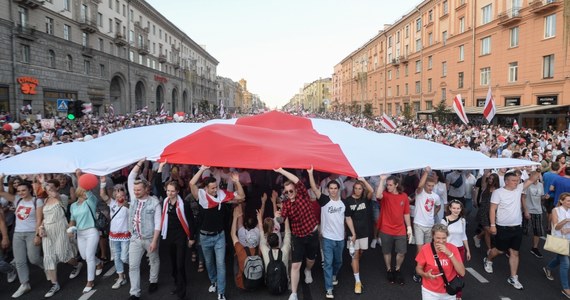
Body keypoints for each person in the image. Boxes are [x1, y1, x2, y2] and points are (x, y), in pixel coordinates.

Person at [189, 165, 245, 300]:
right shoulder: (201, 195)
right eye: (212, 188)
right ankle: (213, 281)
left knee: (221, 264)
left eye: (216, 187)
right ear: (206, 188)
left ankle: (221, 292)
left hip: (219, 236)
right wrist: (202, 169)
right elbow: (191, 183)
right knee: (209, 263)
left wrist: (237, 181)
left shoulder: (222, 194)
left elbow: (242, 196)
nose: (215, 190)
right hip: (205, 237)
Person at [308, 167, 356, 299]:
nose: (333, 190)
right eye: (331, 188)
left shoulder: (344, 203)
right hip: (327, 238)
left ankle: (334, 275)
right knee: (328, 262)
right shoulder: (324, 200)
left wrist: (353, 233)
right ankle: (329, 288)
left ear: (339, 189)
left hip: (340, 238)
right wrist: (310, 173)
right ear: (328, 190)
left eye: (335, 188)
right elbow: (314, 188)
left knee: (339, 262)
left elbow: (348, 218)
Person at [483, 172, 535, 290]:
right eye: (514, 181)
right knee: (500, 250)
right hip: (502, 227)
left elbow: (532, 179)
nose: (517, 182)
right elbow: (492, 209)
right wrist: (492, 225)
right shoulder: (498, 193)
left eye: (517, 180)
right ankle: (488, 259)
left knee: (515, 252)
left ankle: (513, 277)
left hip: (517, 226)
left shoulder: (519, 189)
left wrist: (538, 168)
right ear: (506, 181)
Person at [273, 167, 319, 300]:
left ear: (296, 190)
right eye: (286, 192)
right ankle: (294, 293)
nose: (289, 193)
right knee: (295, 265)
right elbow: (282, 219)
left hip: (311, 234)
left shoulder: (302, 195)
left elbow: (296, 180)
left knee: (311, 260)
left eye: (291, 190)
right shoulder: (286, 204)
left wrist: (281, 171)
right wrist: (277, 216)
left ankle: (308, 270)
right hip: (298, 237)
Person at [0, 179, 45, 298]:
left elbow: (39, 220)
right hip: (18, 234)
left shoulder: (37, 201)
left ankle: (48, 267)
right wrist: (0, 179)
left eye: (23, 190)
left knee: (34, 259)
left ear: (30, 189)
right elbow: (1, 192)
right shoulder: (17, 199)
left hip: (31, 233)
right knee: (19, 261)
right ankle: (24, 284)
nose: (21, 192)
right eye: (19, 191)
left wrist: (37, 235)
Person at [127, 159, 162, 300]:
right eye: (134, 190)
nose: (135, 192)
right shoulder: (133, 198)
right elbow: (130, 177)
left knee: (153, 260)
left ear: (146, 189)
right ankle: (134, 293)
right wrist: (140, 162)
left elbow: (158, 223)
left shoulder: (154, 203)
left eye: (138, 190)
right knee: (133, 266)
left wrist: (154, 241)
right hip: (135, 238)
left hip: (149, 238)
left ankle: (153, 281)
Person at [39, 185, 81, 298]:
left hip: (60, 229)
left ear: (56, 188)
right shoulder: (46, 200)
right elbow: (45, 217)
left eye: (52, 188)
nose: (50, 190)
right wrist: (41, 228)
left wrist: (54, 193)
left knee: (63, 256)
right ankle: (54, 284)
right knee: (48, 257)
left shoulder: (62, 197)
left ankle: (77, 265)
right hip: (48, 231)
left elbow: (58, 199)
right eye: (48, 189)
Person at [159, 180, 195, 300]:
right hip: (169, 236)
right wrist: (159, 169)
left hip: (180, 236)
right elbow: (159, 184)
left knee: (180, 264)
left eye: (173, 191)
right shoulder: (165, 202)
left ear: (178, 191)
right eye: (168, 190)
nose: (170, 193)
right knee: (173, 264)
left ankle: (182, 291)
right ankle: (178, 282)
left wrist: (191, 238)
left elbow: (190, 221)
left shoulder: (184, 204)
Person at [376, 175, 412, 285]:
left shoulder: (404, 196)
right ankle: (389, 270)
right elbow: (378, 195)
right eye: (387, 185)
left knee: (401, 252)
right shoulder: (385, 195)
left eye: (390, 185)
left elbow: (406, 213)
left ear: (396, 185)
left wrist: (409, 227)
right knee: (386, 252)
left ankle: (397, 270)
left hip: (400, 229)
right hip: (386, 228)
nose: (388, 187)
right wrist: (382, 180)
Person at [69, 185, 104, 294]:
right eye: (84, 192)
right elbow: (72, 219)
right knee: (84, 256)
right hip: (80, 233)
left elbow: (89, 191)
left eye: (87, 192)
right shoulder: (73, 206)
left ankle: (90, 281)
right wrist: (70, 229)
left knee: (89, 257)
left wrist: (83, 180)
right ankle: (99, 262)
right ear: (79, 193)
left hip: (92, 231)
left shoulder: (91, 201)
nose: (87, 193)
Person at [415, 224, 465, 300]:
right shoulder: (425, 249)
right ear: (432, 236)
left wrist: (449, 254)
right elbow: (418, 268)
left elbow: (462, 272)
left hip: (449, 291)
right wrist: (425, 275)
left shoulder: (453, 248)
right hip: (430, 292)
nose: (441, 241)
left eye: (444, 238)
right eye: (438, 238)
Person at [342, 177, 374, 294]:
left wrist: (364, 181)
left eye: (360, 188)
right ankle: (357, 281)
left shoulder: (365, 199)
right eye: (356, 188)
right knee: (355, 256)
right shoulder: (348, 201)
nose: (358, 190)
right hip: (353, 233)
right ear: (353, 189)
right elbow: (348, 217)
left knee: (360, 252)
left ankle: (354, 263)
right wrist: (352, 233)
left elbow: (372, 191)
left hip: (365, 231)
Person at [99, 177, 130, 289]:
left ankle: (134, 267)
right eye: (117, 196)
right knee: (117, 257)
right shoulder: (112, 204)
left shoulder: (128, 205)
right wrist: (102, 182)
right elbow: (102, 194)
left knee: (124, 257)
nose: (120, 198)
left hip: (125, 235)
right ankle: (121, 277)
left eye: (122, 195)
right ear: (114, 196)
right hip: (113, 235)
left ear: (125, 195)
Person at [413, 167, 441, 283]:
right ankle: (418, 271)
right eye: (428, 185)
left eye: (432, 186)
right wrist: (426, 172)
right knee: (420, 249)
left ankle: (425, 269)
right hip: (418, 224)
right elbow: (419, 186)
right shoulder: (419, 193)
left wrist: (433, 214)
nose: (430, 187)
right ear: (425, 185)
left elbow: (438, 206)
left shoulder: (435, 196)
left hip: (429, 225)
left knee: (428, 249)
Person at [441, 200, 470, 300]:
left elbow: (464, 235)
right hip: (448, 249)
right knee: (447, 270)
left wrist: (468, 250)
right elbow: (441, 237)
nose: (456, 210)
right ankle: (444, 291)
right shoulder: (445, 221)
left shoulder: (462, 220)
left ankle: (458, 295)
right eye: (454, 208)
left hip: (460, 249)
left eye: (458, 208)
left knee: (459, 272)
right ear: (449, 208)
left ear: (461, 209)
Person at [543, 192, 570, 298]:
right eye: (568, 200)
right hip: (560, 240)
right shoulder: (556, 210)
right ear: (561, 201)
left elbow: (566, 230)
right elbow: (556, 227)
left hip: (568, 239)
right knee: (566, 263)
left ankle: (548, 268)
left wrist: (568, 229)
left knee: (560, 257)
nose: (569, 202)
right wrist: (565, 221)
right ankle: (566, 288)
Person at [524, 171, 547, 258]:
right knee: (524, 229)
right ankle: (514, 247)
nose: (537, 177)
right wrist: (525, 210)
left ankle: (535, 248)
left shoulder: (540, 185)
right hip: (528, 210)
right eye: (536, 176)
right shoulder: (527, 183)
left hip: (538, 210)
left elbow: (541, 197)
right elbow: (523, 197)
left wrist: (545, 197)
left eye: (538, 176)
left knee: (537, 230)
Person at [474, 171, 499, 250]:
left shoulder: (498, 190)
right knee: (488, 230)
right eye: (490, 178)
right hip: (483, 211)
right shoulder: (485, 186)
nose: (490, 180)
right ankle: (489, 249)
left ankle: (478, 237)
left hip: (492, 211)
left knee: (489, 229)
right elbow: (484, 175)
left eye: (492, 179)